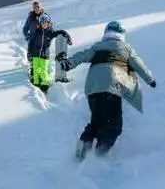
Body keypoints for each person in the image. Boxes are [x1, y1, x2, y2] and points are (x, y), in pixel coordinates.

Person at [57, 20, 156, 160]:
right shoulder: (125, 48)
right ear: (121, 35)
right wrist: (150, 79)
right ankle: (100, 154)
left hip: (92, 88)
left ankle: (84, 143)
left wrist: (69, 63)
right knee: (114, 124)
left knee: (96, 121)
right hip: (112, 86)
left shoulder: (98, 46)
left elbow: (83, 55)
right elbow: (138, 65)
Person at [27, 14, 72, 93]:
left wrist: (66, 34)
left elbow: (59, 32)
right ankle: (36, 83)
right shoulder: (37, 32)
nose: (44, 24)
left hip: (44, 55)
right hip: (35, 54)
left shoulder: (50, 32)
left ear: (48, 23)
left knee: (43, 70)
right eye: (42, 23)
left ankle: (45, 84)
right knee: (37, 70)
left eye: (46, 23)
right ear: (40, 24)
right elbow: (31, 43)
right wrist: (29, 53)